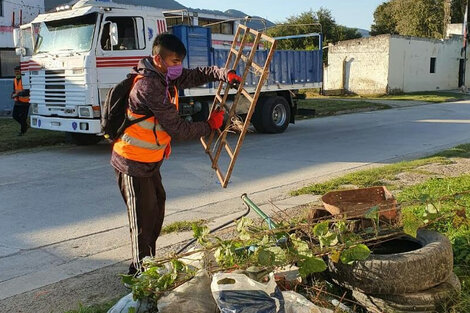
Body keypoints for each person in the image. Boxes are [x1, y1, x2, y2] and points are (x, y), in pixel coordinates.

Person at [111, 33, 242, 275]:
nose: (179, 67)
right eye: (174, 61)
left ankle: (145, 264)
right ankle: (140, 273)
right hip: (131, 162)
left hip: (150, 162)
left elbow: (197, 74)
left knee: (156, 211)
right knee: (142, 221)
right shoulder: (149, 86)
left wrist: (224, 74)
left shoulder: (165, 78)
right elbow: (179, 130)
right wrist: (210, 124)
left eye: (180, 61)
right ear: (158, 59)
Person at [11, 66, 30, 136]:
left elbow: (27, 92)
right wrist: (13, 94)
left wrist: (17, 94)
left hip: (25, 102)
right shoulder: (15, 80)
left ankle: (22, 131)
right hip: (17, 101)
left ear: (21, 72)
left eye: (18, 71)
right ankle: (25, 125)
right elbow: (14, 90)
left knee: (23, 118)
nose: (16, 73)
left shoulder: (25, 80)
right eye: (15, 72)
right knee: (14, 116)